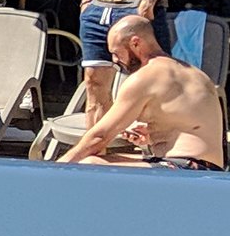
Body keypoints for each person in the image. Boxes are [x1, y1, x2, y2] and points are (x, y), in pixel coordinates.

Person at [61, 14, 223, 170]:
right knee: (107, 160)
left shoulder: (144, 77)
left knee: (90, 164)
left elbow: (99, 137)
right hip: (205, 167)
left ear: (135, 43)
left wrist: (55, 169)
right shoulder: (196, 74)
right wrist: (152, 136)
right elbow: (188, 124)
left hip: (187, 168)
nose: (115, 60)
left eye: (116, 53)